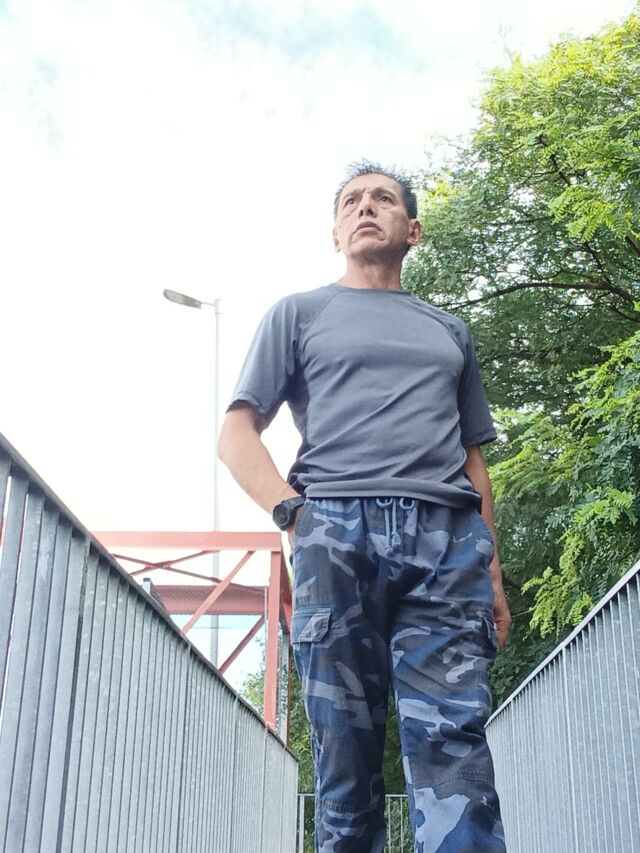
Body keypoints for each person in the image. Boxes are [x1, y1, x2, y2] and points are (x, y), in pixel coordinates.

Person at [218, 160, 511, 852]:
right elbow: (235, 435)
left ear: (413, 229)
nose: (365, 208)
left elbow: (473, 460)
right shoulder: (299, 314)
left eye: (382, 199)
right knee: (344, 762)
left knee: (456, 757)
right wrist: (295, 515)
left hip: (446, 546)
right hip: (336, 534)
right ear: (335, 232)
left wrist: (493, 572)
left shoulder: (449, 331)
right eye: (351, 201)